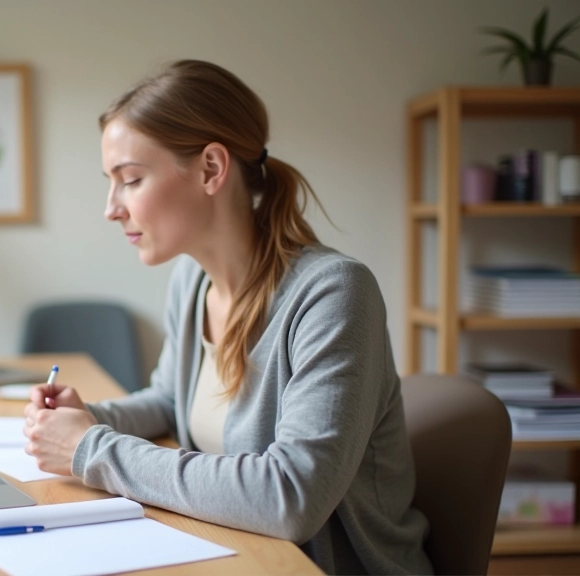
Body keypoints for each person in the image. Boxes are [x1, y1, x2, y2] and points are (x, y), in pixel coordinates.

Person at [22, 60, 432, 575]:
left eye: (130, 180)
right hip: (229, 554)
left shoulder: (334, 294)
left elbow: (291, 497)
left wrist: (90, 447)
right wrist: (87, 421)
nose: (112, 208)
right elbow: (172, 402)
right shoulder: (192, 283)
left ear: (212, 169)